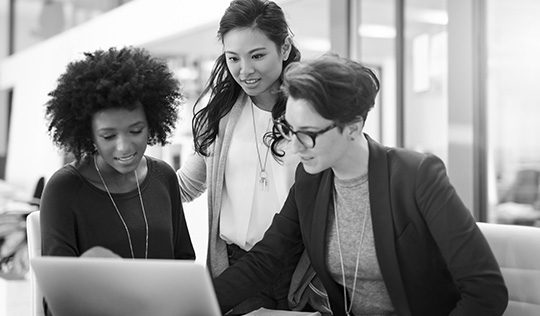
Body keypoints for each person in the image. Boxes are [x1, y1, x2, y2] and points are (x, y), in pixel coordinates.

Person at [213, 53, 509, 316]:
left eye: (308, 133)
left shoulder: (416, 176)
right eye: (289, 129)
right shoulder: (310, 180)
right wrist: (198, 301)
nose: (295, 145)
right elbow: (267, 258)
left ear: (352, 127)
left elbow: (486, 292)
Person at [41, 47, 196, 314]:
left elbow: (183, 263)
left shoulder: (164, 177)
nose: (124, 147)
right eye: (108, 136)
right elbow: (57, 298)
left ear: (153, 123)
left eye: (136, 130)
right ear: (88, 135)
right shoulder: (64, 190)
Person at [176, 0, 306, 313]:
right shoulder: (221, 114)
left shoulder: (309, 112)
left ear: (284, 48)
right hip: (235, 265)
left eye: (257, 56)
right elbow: (185, 185)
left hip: (301, 268)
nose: (244, 71)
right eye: (233, 58)